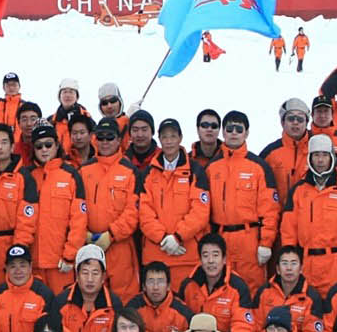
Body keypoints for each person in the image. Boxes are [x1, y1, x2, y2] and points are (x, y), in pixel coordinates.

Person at [205, 110, 280, 293]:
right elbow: (203, 209)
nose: (234, 133)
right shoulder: (212, 168)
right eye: (229, 128)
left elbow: (270, 209)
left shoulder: (258, 167)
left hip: (249, 240)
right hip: (220, 239)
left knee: (252, 289)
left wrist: (266, 243)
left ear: (246, 133)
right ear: (223, 132)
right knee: (222, 289)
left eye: (239, 129)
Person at [280, 134, 337, 291]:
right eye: (316, 155)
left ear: (331, 157)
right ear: (310, 158)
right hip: (305, 265)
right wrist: (291, 263)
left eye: (325, 155)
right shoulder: (298, 191)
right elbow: (288, 232)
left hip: (335, 265)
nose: (320, 160)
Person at [137, 118, 211, 282]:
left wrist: (178, 237)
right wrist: (163, 238)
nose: (169, 141)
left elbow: (200, 211)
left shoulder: (195, 171)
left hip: (187, 255)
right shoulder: (149, 173)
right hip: (156, 256)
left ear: (180, 138)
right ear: (159, 139)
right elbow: (144, 212)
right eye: (164, 137)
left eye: (173, 136)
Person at [80, 116, 140, 300]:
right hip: (89, 244)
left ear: (119, 140)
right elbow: (76, 207)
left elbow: (134, 210)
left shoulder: (130, 171)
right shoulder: (84, 170)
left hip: (119, 245)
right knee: (91, 295)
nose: (105, 142)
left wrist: (111, 235)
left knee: (124, 297)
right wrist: (84, 233)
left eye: (110, 137)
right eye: (101, 137)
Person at [23, 121, 88, 289]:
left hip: (60, 263)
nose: (44, 149)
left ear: (57, 145)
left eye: (48, 144)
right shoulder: (27, 176)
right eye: (39, 146)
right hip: (33, 263)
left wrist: (70, 255)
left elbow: (79, 220)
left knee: (62, 304)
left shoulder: (71, 175)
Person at [0, 124, 35, 290]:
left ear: (12, 146)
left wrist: (18, 250)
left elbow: (27, 220)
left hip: (9, 245)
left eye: (4, 142)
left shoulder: (24, 178)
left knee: (9, 293)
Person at [176, 232, 256, 332]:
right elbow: (181, 323)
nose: (211, 261)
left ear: (224, 259)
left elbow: (242, 326)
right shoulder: (188, 285)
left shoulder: (238, 287)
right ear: (200, 260)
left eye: (215, 255)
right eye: (205, 255)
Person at [55, 244, 121, 332]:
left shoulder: (114, 305)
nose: (90, 279)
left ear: (103, 277)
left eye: (95, 273)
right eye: (85, 273)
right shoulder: (61, 302)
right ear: (77, 276)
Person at [253, 244, 327, 332]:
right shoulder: (264, 292)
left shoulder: (312, 297)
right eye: (284, 263)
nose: (289, 268)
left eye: (293, 263)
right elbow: (256, 328)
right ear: (278, 269)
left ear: (301, 269)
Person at [0, 243, 55, 332]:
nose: (18, 271)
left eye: (22, 265)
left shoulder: (44, 295)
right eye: (13, 266)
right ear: (6, 268)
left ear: (30, 266)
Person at [130, 261, 192, 332]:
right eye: (151, 282)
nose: (155, 287)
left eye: (160, 282)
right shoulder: (134, 307)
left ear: (168, 286)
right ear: (144, 286)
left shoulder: (182, 311)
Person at [261, 98, 312, 200]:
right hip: (278, 209)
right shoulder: (270, 153)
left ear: (306, 123)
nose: (295, 122)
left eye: (300, 119)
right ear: (282, 122)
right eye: (291, 118)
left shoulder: (317, 150)